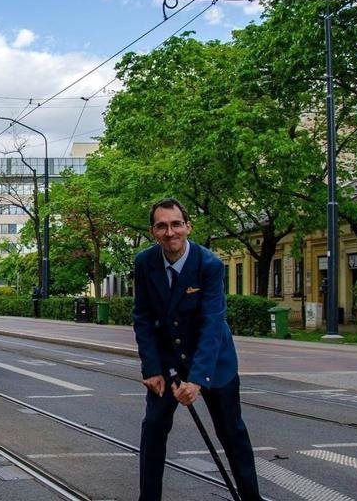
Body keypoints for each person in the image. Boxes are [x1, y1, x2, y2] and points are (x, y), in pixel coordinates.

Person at [133, 198, 260, 501]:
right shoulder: (144, 263)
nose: (170, 232)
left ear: (188, 226)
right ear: (153, 231)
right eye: (162, 226)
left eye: (176, 224)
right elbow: (143, 317)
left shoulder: (209, 265)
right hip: (168, 362)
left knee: (232, 433)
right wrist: (151, 368)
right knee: (153, 427)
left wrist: (197, 381)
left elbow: (213, 324)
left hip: (213, 361)